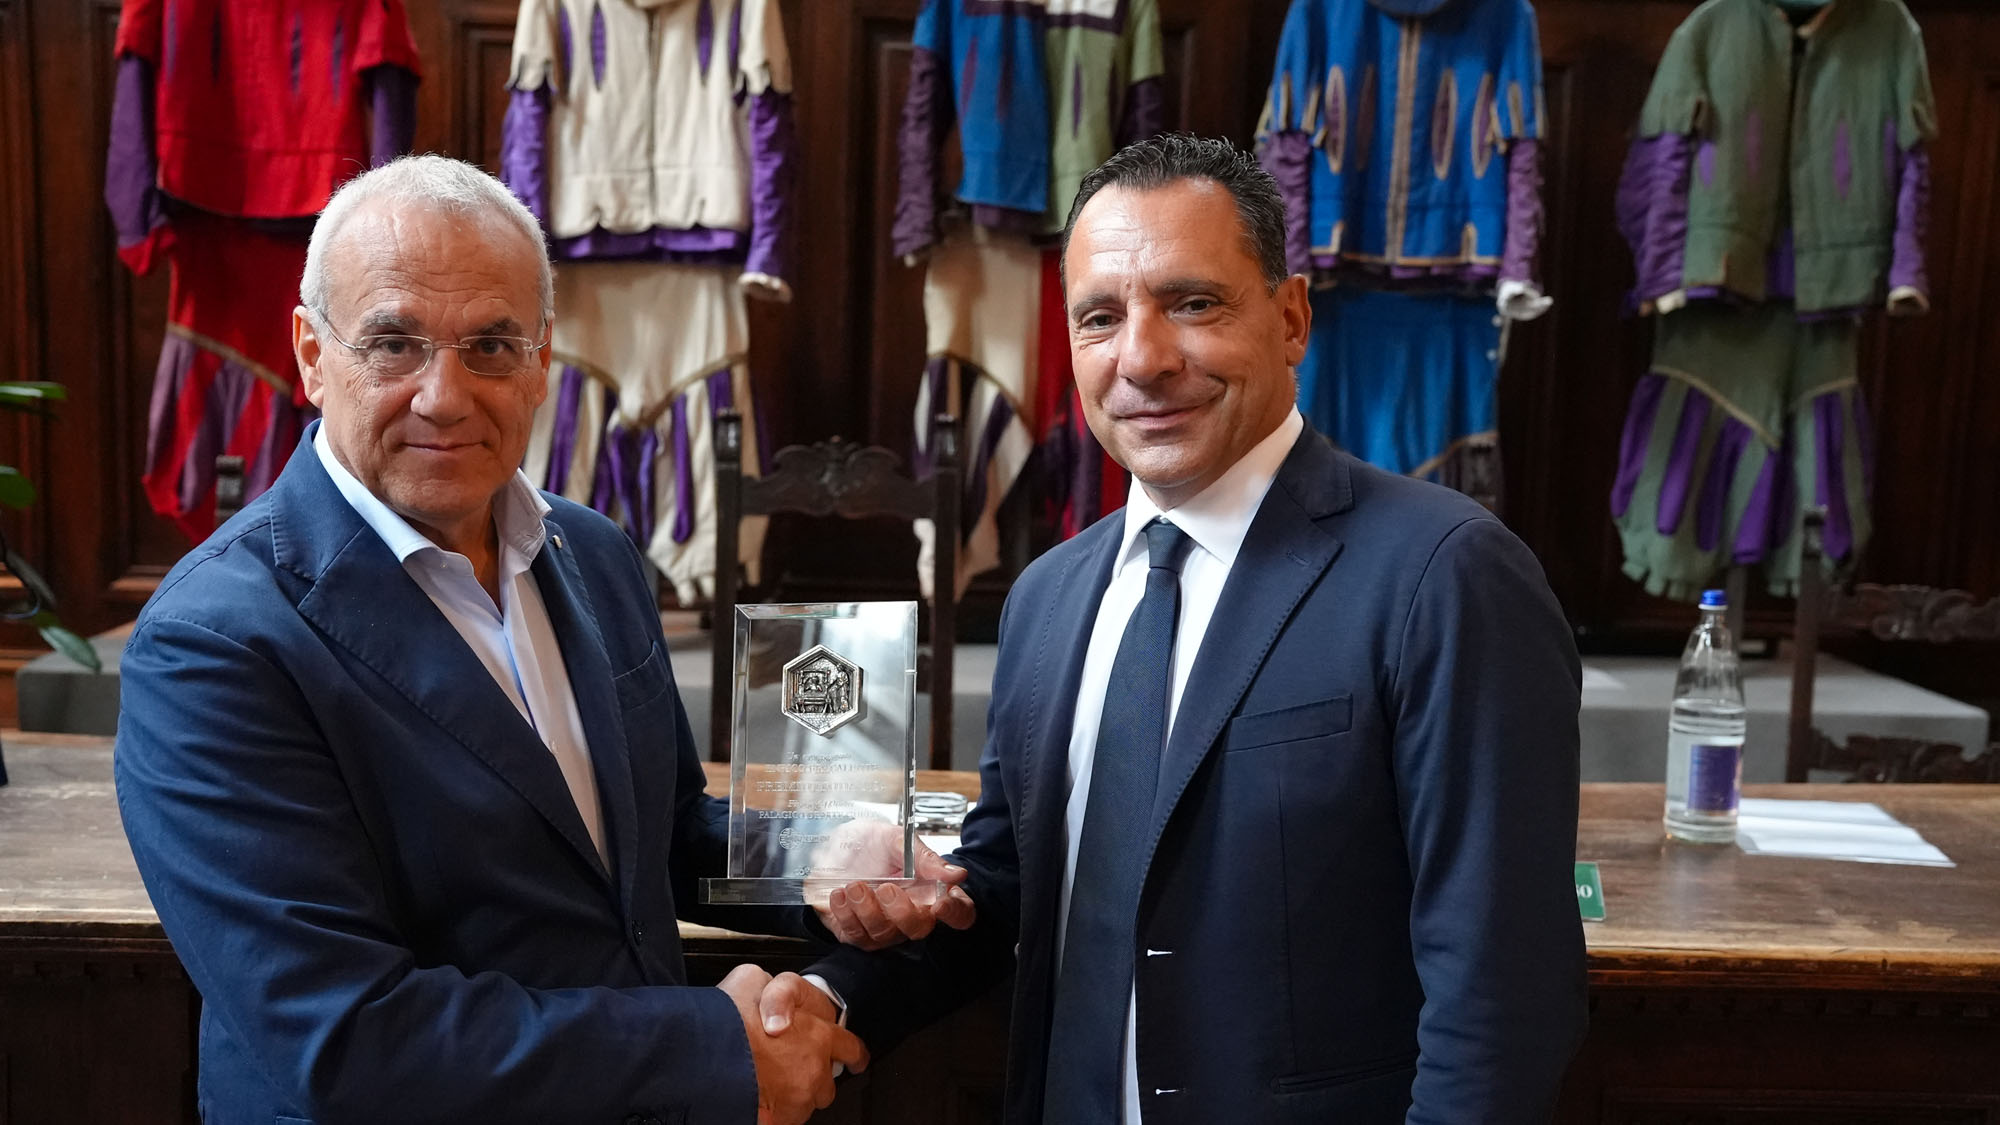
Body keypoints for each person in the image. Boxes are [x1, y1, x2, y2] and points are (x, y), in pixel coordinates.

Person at [803, 134, 1589, 1122]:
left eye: (1192, 303)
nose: (1141, 359)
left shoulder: (1446, 575)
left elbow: (1502, 995)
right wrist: (834, 989)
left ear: (1291, 317)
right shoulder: (1046, 599)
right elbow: (1002, 896)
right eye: (1100, 317)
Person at [113, 154, 863, 1125]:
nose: (444, 394)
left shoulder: (592, 552)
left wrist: (833, 862)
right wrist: (712, 1050)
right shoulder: (213, 642)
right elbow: (345, 1038)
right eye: (394, 344)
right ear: (310, 354)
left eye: (491, 346)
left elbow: (661, 832)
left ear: (542, 360)